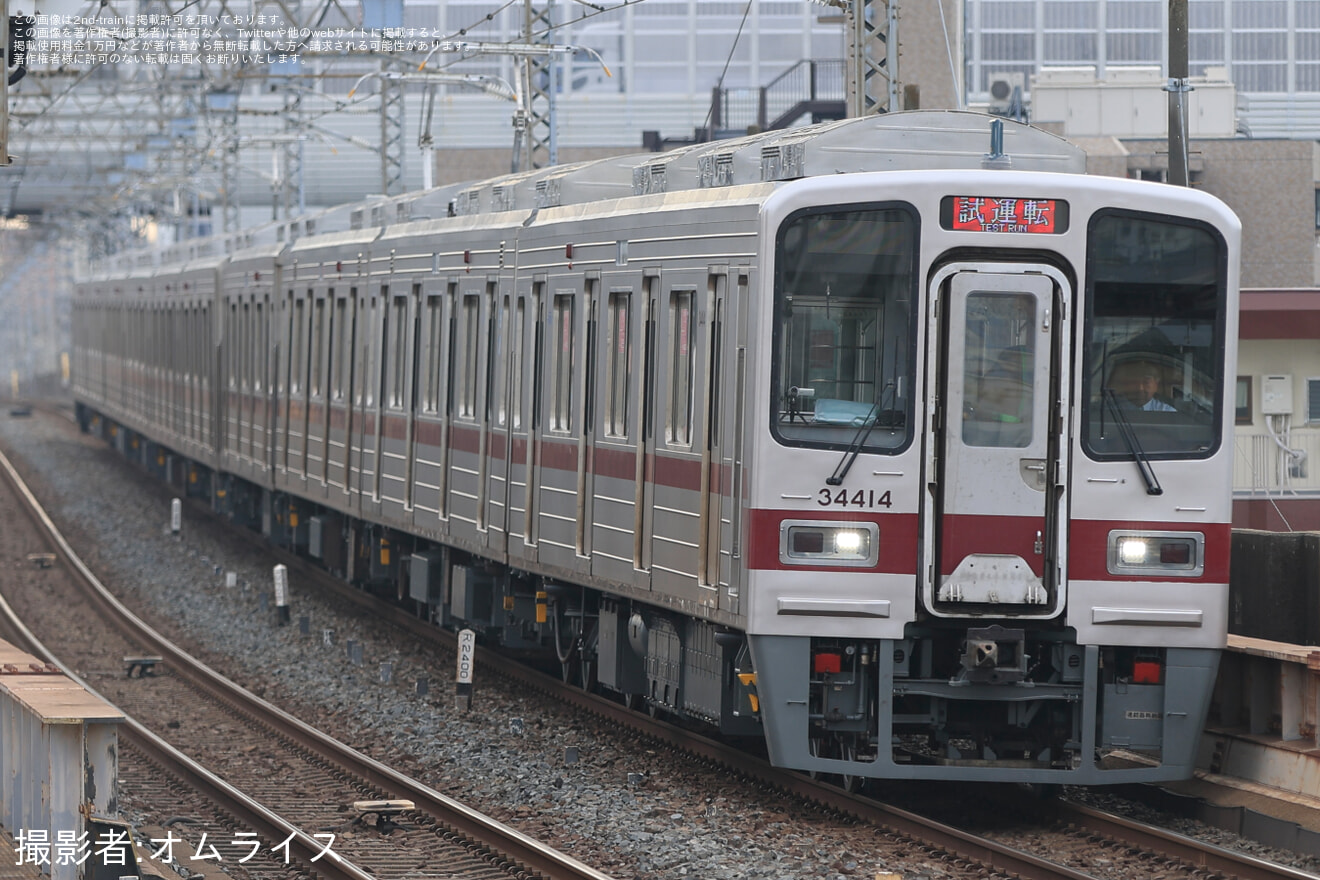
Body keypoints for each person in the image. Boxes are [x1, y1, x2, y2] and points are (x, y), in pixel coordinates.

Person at [1108, 360, 1177, 412]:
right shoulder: (1111, 411)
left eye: (1146, 383)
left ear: (1156, 385)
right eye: (1134, 383)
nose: (1140, 388)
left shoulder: (1167, 412)